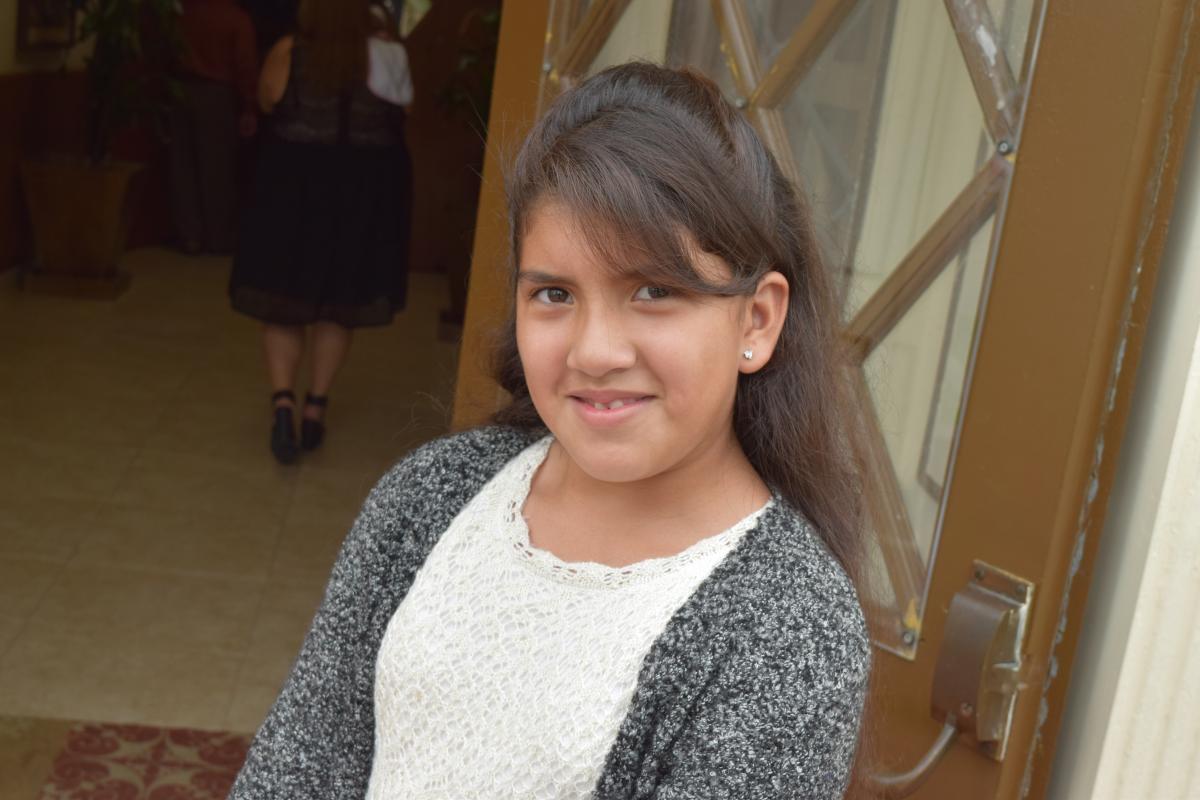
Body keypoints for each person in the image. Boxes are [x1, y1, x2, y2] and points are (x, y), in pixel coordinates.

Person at [230, 63, 871, 798]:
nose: (594, 352)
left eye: (654, 290)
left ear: (756, 320)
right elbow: (292, 771)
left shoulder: (788, 629)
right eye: (555, 294)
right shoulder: (430, 498)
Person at [229, 0, 414, 464]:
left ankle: (283, 403)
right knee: (339, 305)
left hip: (291, 196)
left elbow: (268, 100)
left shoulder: (288, 51)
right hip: (360, 200)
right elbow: (403, 111)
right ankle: (316, 405)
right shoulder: (387, 55)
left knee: (283, 301)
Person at [170, 0, 259, 255]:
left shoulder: (184, 13)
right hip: (217, 93)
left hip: (180, 89)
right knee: (217, 168)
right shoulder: (235, 18)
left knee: (182, 166)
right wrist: (249, 106)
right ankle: (218, 236)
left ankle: (190, 235)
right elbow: (245, 64)